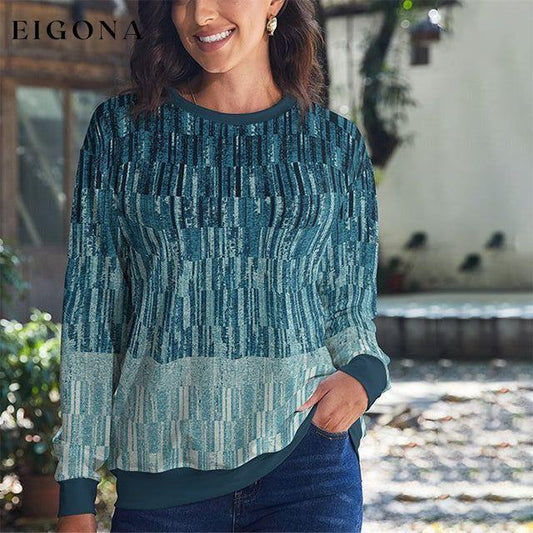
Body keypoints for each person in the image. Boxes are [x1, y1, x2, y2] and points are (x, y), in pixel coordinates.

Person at [53, 0, 392, 531]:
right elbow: (93, 319)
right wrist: (76, 488)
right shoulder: (122, 133)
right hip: (162, 480)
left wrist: (364, 376)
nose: (201, 14)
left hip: (307, 468)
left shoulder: (334, 145)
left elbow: (348, 309)